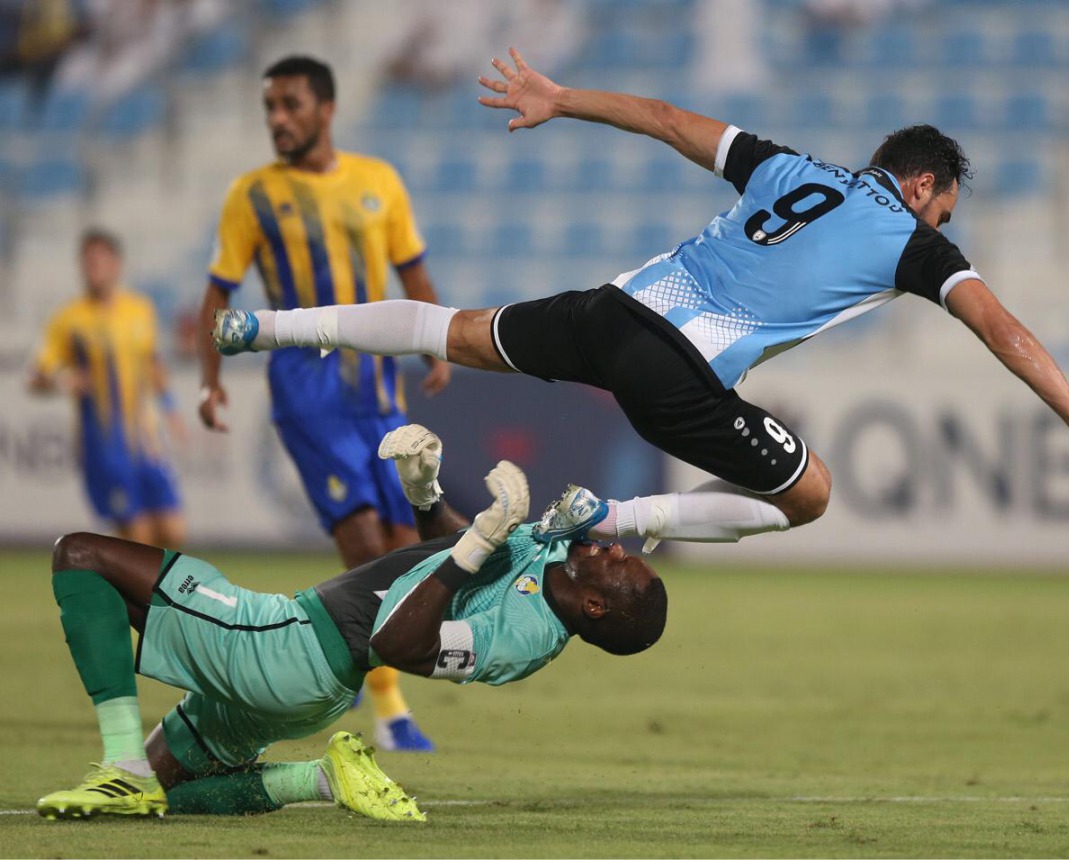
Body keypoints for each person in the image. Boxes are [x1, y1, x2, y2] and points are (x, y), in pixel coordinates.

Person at [213, 48, 1069, 554]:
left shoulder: (785, 165)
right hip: (679, 372)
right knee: (811, 495)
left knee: (450, 328)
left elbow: (666, 120)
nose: (947, 225)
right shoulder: (917, 242)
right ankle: (610, 519)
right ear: (920, 189)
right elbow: (1004, 326)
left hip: (610, 310)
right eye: (945, 208)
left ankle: (265, 329)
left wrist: (561, 95)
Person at [36, 424, 667, 821]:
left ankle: (120, 765)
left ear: (595, 608)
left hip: (290, 645)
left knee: (80, 555)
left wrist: (475, 542)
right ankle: (312, 779)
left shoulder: (523, 640)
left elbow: (399, 639)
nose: (614, 548)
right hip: (311, 687)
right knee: (166, 795)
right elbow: (446, 561)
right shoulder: (549, 557)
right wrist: (427, 495)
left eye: (622, 566)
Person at [198, 55, 453, 751]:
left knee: (407, 546)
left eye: (290, 105)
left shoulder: (379, 182)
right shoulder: (252, 194)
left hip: (376, 386)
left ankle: (363, 681)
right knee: (364, 542)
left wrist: (438, 343)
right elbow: (219, 291)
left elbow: (414, 270)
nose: (277, 119)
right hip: (306, 391)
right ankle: (391, 715)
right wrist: (209, 377)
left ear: (326, 109)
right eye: (270, 107)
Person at [29, 228, 186, 548]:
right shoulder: (69, 319)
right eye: (87, 262)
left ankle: (136, 594)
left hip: (146, 442)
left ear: (116, 265)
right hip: (103, 444)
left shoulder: (140, 309)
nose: (92, 269)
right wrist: (64, 380)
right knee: (139, 536)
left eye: (98, 261)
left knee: (173, 531)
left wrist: (171, 409)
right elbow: (37, 376)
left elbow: (153, 365)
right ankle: (144, 597)